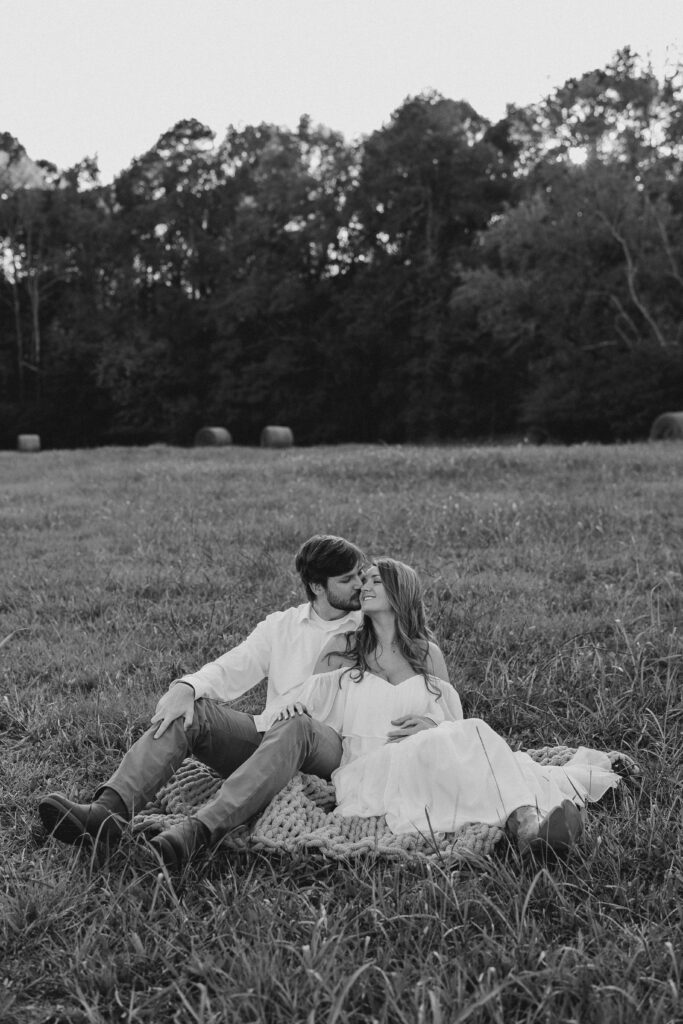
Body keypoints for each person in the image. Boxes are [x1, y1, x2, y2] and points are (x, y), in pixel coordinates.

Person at [38, 534, 372, 868]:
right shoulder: (282, 625)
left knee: (297, 723)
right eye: (347, 580)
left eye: (360, 574)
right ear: (316, 586)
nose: (360, 584)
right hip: (269, 734)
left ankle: (198, 832)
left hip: (328, 746)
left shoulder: (370, 628)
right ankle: (106, 814)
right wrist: (187, 687)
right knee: (191, 712)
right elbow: (235, 664)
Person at [269, 557, 620, 855]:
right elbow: (308, 708)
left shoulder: (426, 653)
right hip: (370, 766)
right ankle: (527, 824)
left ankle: (527, 823)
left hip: (429, 755)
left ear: (399, 592)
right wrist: (288, 710)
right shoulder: (342, 647)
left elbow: (456, 726)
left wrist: (434, 728)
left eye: (376, 580)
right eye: (364, 581)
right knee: (476, 743)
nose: (364, 586)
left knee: (474, 734)